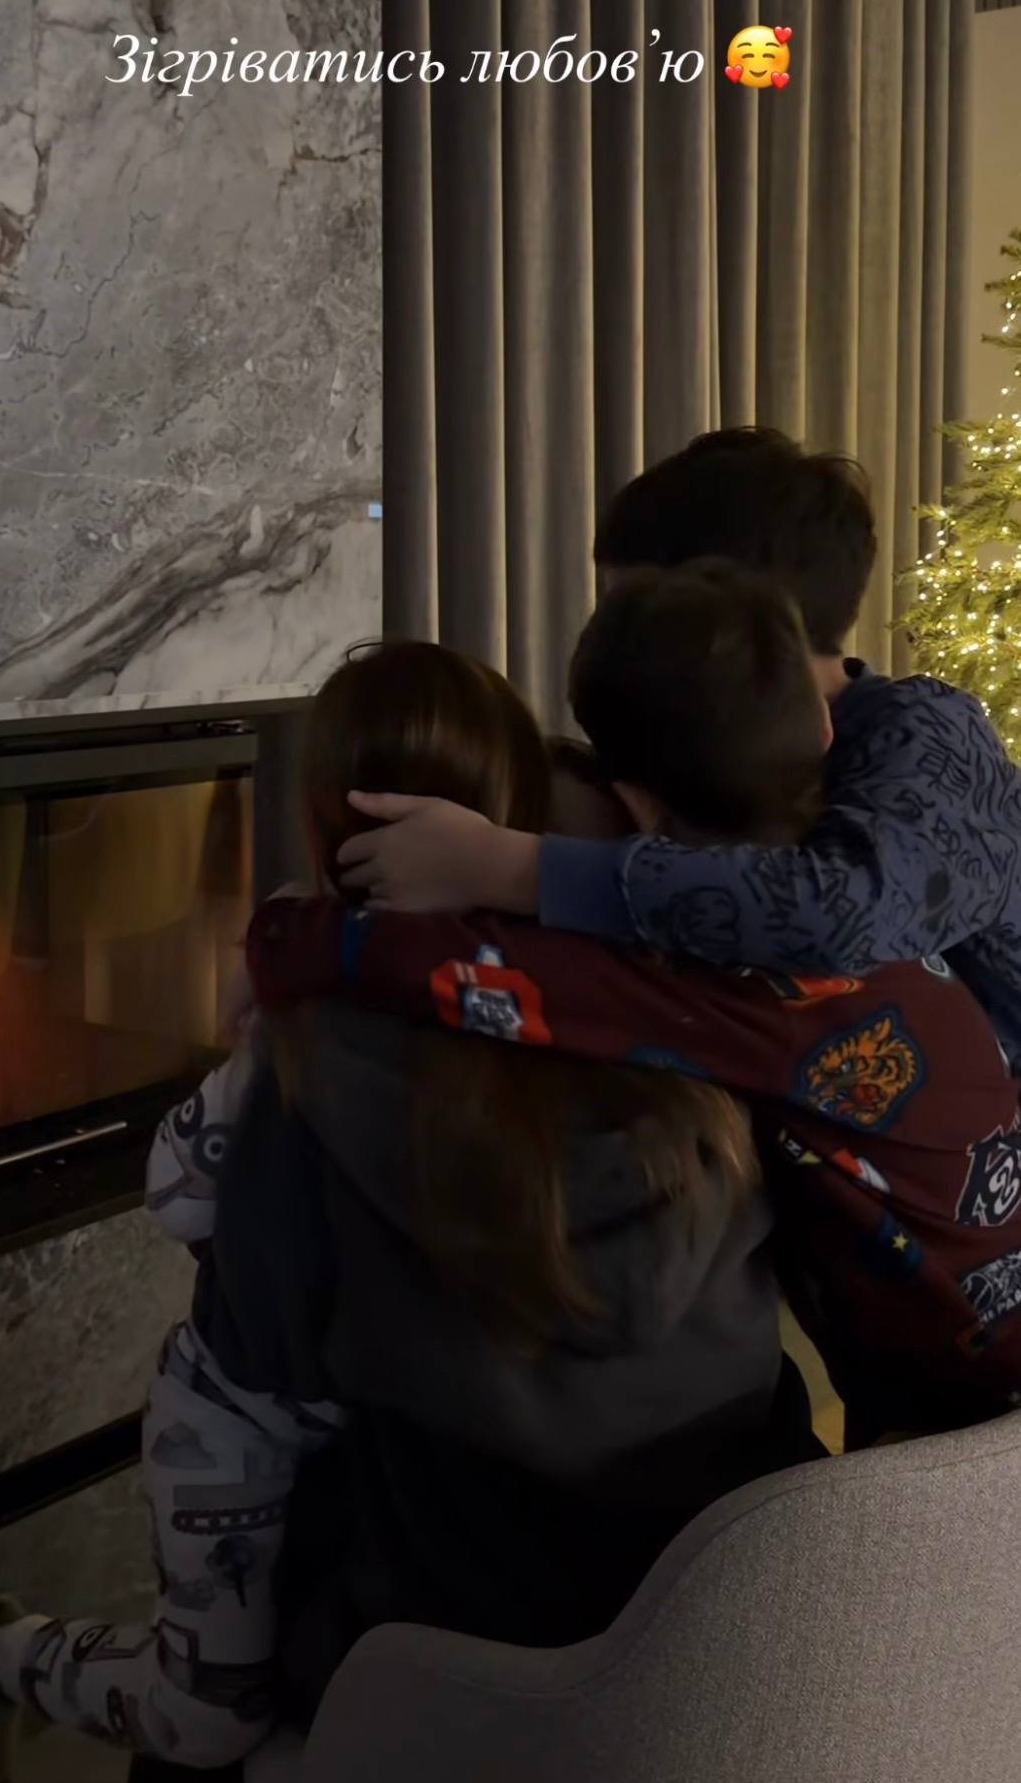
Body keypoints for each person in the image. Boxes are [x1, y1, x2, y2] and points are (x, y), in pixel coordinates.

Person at [0, 640, 814, 1783]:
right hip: (713, 1619)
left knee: (206, 1713)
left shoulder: (321, 1057)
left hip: (470, 1626)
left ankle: (3, 1651)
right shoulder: (664, 1016)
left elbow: (235, 1295)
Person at [247, 566, 1021, 1446]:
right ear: (820, 724)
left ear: (637, 806)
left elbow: (483, 979)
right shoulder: (874, 904)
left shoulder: (716, 988)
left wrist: (291, 932)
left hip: (972, 1400)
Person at [332, 427, 1021, 1071]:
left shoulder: (929, 733)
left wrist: (508, 867)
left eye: (632, 609)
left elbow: (845, 914)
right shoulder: (672, 757)